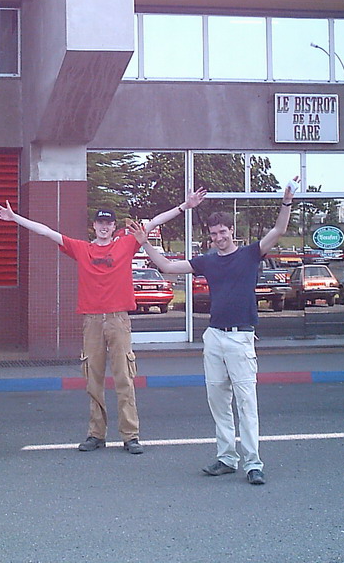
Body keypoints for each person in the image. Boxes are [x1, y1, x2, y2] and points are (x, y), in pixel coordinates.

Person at [0, 190, 206, 454]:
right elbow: (46, 231)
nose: (104, 227)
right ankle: (96, 434)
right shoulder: (82, 249)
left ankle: (131, 436)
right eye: (100, 223)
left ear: (114, 227)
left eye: (109, 223)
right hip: (92, 321)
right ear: (94, 226)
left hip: (118, 320)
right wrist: (16, 218)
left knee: (124, 378)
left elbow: (155, 222)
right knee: (93, 380)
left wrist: (185, 205)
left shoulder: (126, 243)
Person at [128, 179, 296, 485]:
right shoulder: (206, 262)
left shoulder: (249, 254)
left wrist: (285, 202)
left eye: (223, 232)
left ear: (232, 232)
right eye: (213, 234)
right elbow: (166, 266)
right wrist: (145, 242)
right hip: (215, 337)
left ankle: (253, 463)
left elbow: (279, 231)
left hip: (241, 337)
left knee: (246, 402)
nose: (218, 237)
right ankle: (226, 458)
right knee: (218, 400)